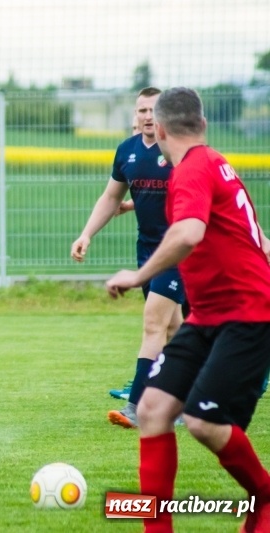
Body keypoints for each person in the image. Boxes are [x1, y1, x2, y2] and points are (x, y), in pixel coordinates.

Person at [106, 86, 270, 533]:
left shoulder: (192, 170)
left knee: (202, 420)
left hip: (246, 315)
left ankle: (265, 497)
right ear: (203, 124)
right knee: (153, 408)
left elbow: (188, 234)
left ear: (158, 129)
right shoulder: (216, 162)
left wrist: (137, 275)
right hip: (209, 315)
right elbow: (255, 239)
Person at [71, 87, 185, 428]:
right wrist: (86, 233)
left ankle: (137, 406)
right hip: (147, 249)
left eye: (153, 110)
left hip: (178, 250)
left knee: (153, 323)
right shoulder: (127, 151)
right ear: (135, 116)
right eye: (142, 111)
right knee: (175, 329)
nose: (148, 116)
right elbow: (110, 197)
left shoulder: (179, 150)